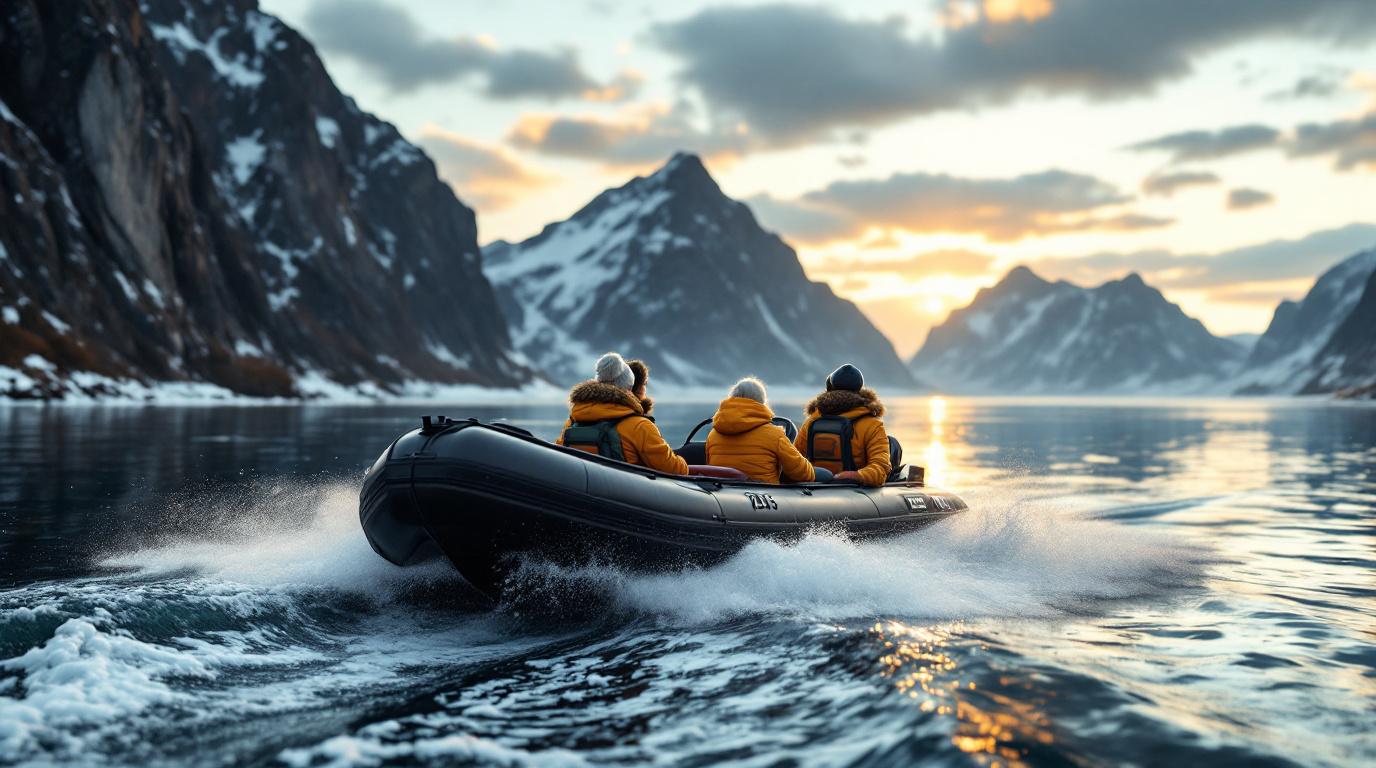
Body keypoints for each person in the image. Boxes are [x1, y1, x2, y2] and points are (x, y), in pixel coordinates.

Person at [556, 352, 688, 475]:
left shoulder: (573, 422)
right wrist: (684, 462)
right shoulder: (639, 426)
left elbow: (558, 457)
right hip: (626, 496)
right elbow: (677, 470)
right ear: (629, 389)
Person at [795, 364, 892, 486]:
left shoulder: (812, 421)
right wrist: (856, 476)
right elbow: (881, 469)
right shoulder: (872, 425)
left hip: (814, 487)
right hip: (854, 494)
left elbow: (794, 461)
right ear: (859, 390)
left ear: (830, 388)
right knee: (894, 446)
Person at [706, 377, 816, 485]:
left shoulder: (712, 435)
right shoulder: (774, 435)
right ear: (762, 402)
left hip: (723, 496)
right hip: (765, 496)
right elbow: (803, 474)